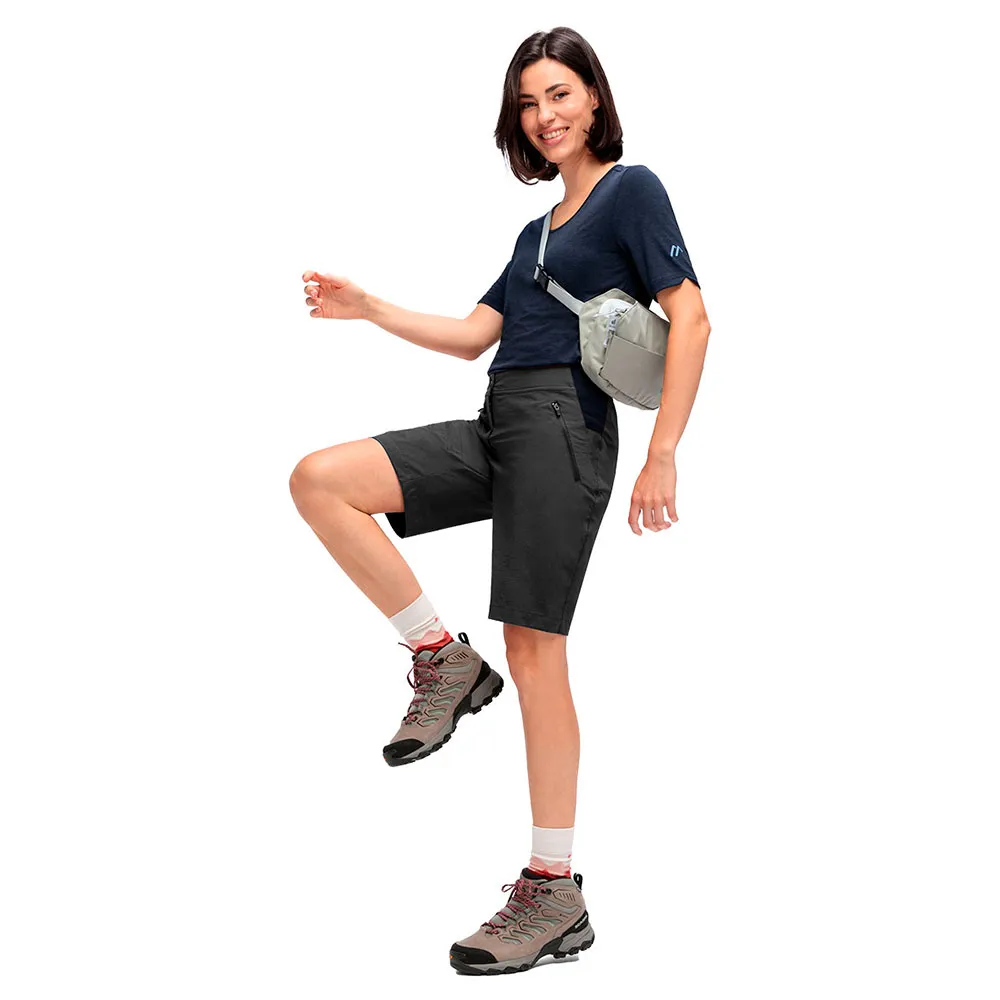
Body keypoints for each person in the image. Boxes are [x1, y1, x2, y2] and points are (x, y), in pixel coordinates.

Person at [289, 26, 711, 976]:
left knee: (534, 650)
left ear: (594, 98)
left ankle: (553, 891)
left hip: (566, 429)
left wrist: (665, 452)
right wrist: (369, 307)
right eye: (528, 103)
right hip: (499, 422)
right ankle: (441, 658)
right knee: (321, 480)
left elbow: (692, 313)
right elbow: (475, 334)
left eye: (559, 94)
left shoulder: (632, 191)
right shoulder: (536, 234)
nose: (544, 115)